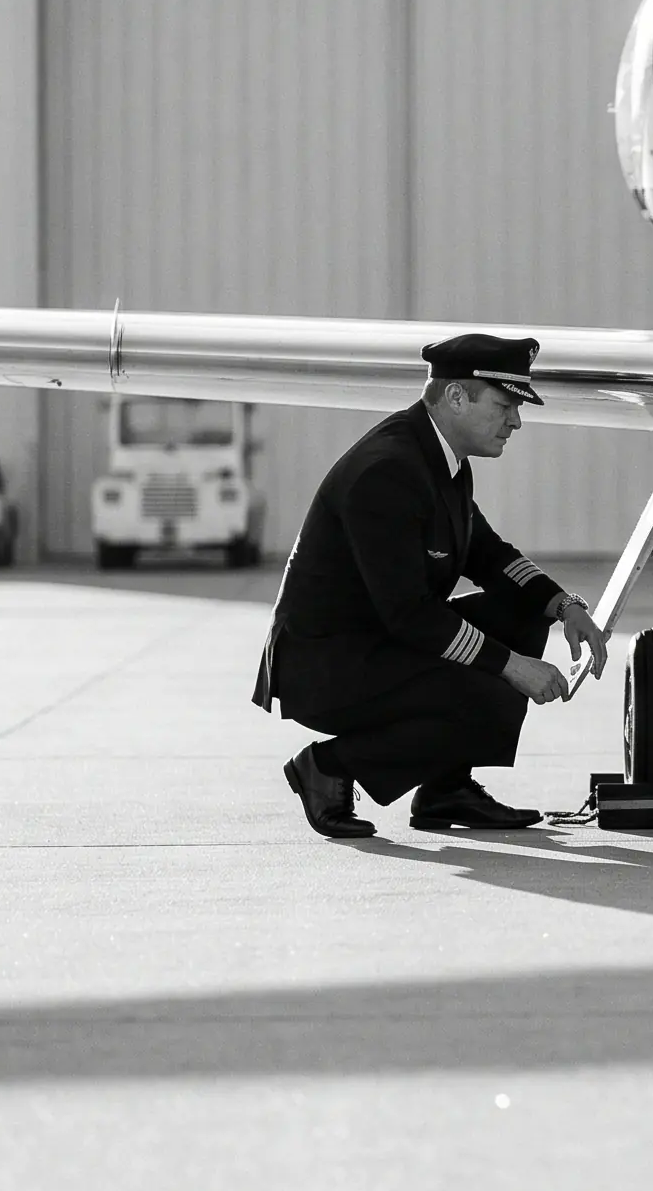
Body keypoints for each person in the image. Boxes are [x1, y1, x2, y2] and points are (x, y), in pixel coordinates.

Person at [255, 333, 609, 839]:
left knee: (521, 615)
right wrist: (514, 666)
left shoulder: (439, 457)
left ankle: (446, 788)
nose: (515, 421)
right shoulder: (389, 470)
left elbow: (487, 553)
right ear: (457, 397)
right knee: (487, 690)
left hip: (377, 641)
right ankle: (327, 767)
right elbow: (411, 614)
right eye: (504, 405)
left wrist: (564, 606)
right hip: (326, 664)